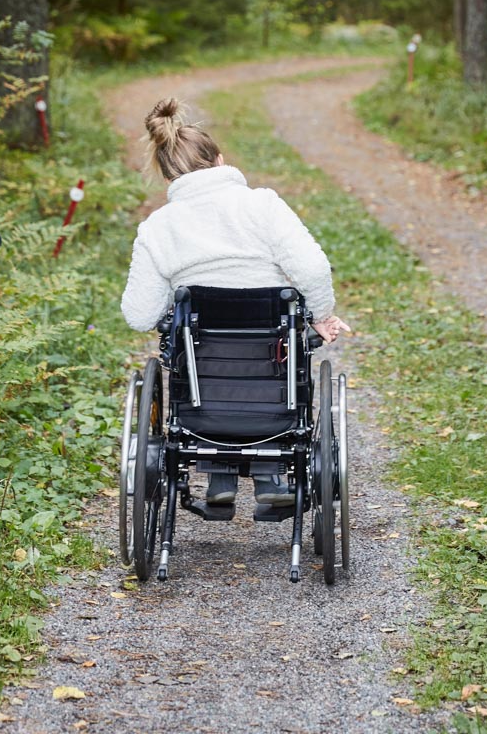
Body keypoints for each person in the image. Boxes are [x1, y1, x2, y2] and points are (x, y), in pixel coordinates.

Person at [121, 98, 350, 507]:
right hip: (271, 361)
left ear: (167, 174)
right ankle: (269, 476)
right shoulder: (262, 205)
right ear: (220, 160)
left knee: (198, 348)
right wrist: (321, 315)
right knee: (274, 350)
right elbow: (313, 269)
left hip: (200, 385)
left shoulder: (158, 227)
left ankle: (219, 477)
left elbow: (139, 315)